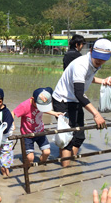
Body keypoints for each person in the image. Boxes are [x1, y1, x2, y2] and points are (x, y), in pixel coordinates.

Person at [52, 38, 111, 167]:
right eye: (98, 58)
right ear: (90, 51)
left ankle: (67, 163)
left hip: (75, 99)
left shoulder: (94, 63)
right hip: (63, 100)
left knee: (79, 137)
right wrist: (96, 114)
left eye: (103, 59)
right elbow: (79, 93)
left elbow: (87, 77)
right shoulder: (81, 64)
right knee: (66, 138)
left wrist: (103, 81)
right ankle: (65, 173)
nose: (100, 61)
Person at [12, 87, 63, 165]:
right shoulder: (25, 106)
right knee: (30, 158)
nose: (41, 108)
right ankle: (29, 168)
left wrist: (54, 113)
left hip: (40, 132)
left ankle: (41, 165)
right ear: (33, 99)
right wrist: (12, 124)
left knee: (47, 152)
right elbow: (13, 113)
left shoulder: (42, 101)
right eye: (39, 105)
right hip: (27, 134)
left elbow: (44, 109)